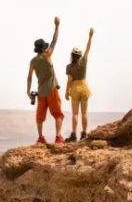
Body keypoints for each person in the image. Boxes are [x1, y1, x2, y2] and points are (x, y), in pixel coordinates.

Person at [27, 16, 64, 144]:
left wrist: (28, 92)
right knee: (58, 114)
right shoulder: (48, 55)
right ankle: (58, 137)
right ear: (43, 49)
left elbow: (29, 77)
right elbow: (54, 41)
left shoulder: (33, 61)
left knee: (40, 116)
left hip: (41, 92)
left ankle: (40, 137)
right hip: (52, 90)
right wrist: (57, 26)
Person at [64, 28, 94, 142]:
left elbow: (69, 80)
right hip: (84, 87)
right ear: (80, 55)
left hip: (75, 89)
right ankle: (84, 133)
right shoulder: (84, 61)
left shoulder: (69, 67)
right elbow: (88, 48)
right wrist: (90, 36)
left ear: (72, 55)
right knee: (84, 112)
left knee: (75, 114)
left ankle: (73, 134)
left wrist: (66, 92)